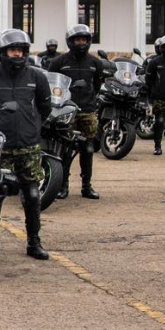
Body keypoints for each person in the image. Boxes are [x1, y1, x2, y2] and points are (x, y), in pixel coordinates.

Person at [0, 29, 52, 260]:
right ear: (2, 52)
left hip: (28, 146)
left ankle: (34, 242)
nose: (17, 54)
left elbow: (45, 108)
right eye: (12, 50)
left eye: (21, 50)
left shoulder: (37, 77)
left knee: (33, 194)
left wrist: (33, 127)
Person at [47, 24, 111, 199]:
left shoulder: (95, 62)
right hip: (65, 111)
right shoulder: (58, 62)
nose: (81, 43)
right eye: (77, 39)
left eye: (84, 39)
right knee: (65, 149)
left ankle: (86, 186)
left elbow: (97, 86)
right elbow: (50, 84)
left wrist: (90, 101)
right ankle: (62, 185)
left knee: (88, 149)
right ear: (70, 41)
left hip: (87, 111)